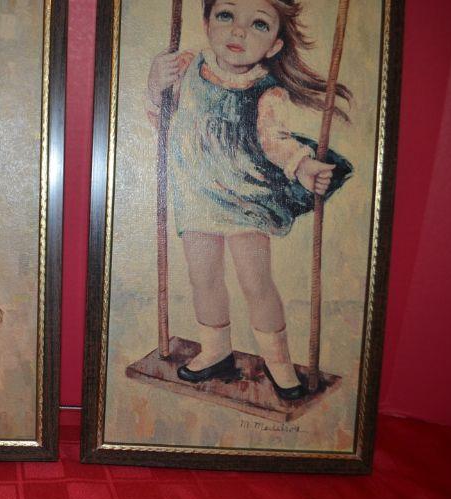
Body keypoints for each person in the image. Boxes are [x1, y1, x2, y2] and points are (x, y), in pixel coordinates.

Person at [146, 0, 353, 400]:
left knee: (255, 280)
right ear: (206, 22)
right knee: (203, 276)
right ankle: (216, 349)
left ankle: (278, 362)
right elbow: (160, 118)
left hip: (246, 198)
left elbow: (275, 142)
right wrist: (156, 83)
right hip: (197, 195)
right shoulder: (185, 67)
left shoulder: (266, 91)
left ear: (275, 45)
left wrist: (304, 166)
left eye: (258, 24)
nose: (238, 31)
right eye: (226, 15)